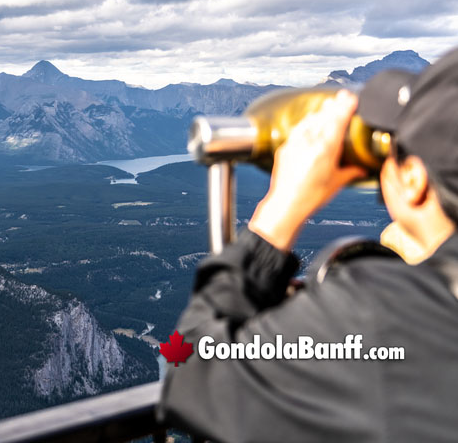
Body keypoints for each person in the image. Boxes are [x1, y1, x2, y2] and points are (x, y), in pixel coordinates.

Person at [157, 48, 458, 442]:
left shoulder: (387, 314)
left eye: (393, 152)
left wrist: (279, 211)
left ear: (415, 179)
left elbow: (191, 369)